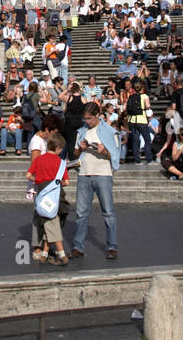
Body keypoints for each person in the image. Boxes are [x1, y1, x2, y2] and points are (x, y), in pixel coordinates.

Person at [72, 104, 120, 260]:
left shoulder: (110, 132)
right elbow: (75, 153)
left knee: (108, 212)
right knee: (80, 213)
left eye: (89, 118)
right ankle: (77, 246)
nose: (87, 121)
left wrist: (104, 151)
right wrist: (81, 148)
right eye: (85, 118)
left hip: (103, 174)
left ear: (98, 115)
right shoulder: (82, 131)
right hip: (84, 173)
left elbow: (115, 156)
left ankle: (112, 246)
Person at [26, 132, 69, 266]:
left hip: (42, 196)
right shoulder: (60, 163)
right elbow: (66, 182)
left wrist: (39, 180)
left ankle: (45, 252)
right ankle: (61, 253)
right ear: (58, 148)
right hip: (56, 197)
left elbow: (28, 175)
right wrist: (56, 183)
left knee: (46, 222)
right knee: (53, 222)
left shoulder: (39, 159)